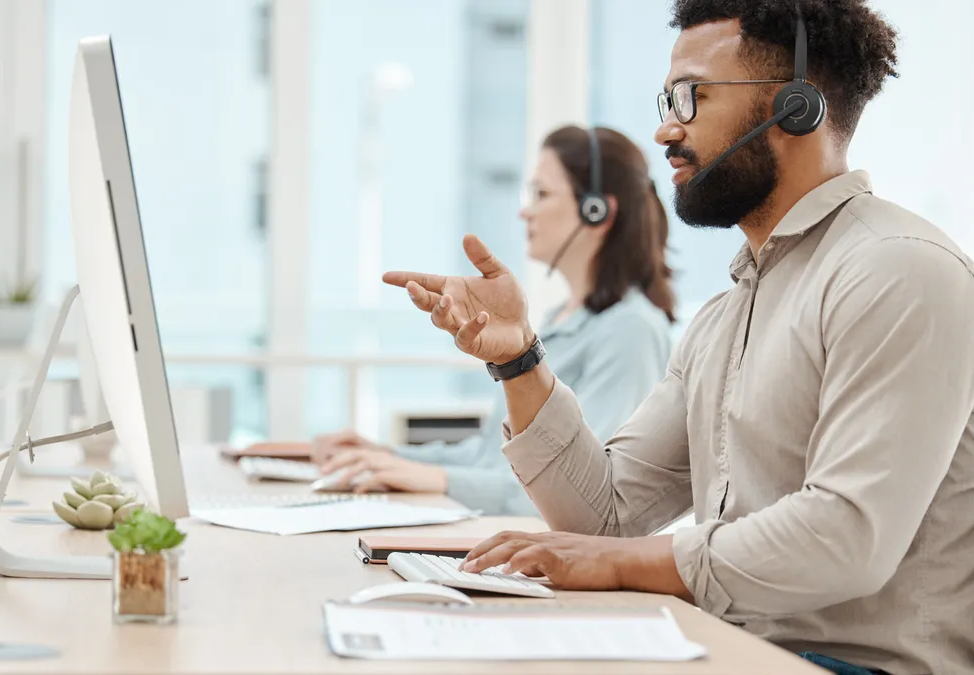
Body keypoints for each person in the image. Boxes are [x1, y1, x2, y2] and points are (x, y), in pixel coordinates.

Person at [381, 2, 974, 674]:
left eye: (691, 96)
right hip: (731, 651)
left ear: (796, 107)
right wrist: (518, 358)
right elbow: (605, 515)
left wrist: (618, 564)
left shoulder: (900, 273)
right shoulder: (728, 315)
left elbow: (846, 539)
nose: (664, 129)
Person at [276, 125, 676, 516]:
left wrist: (434, 478)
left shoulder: (631, 331)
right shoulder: (560, 319)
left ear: (597, 211)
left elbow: (581, 491)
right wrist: (384, 455)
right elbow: (487, 455)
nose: (524, 211)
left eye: (540, 194)